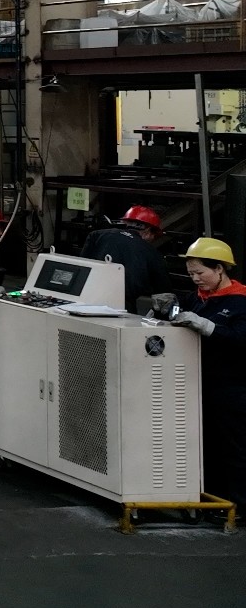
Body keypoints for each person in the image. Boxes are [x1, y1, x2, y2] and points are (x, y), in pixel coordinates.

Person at [169, 237, 246, 508]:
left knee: (234, 447)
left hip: (232, 388)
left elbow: (241, 340)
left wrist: (209, 327)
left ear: (220, 269)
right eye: (191, 274)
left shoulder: (240, 301)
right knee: (206, 445)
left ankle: (239, 505)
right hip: (200, 384)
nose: (195, 279)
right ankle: (212, 498)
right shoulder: (197, 298)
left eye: (200, 273)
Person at [80, 205, 173, 312]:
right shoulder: (153, 253)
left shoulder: (96, 235)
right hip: (122, 309)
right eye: (154, 235)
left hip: (86, 301)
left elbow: (81, 267)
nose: (153, 239)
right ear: (148, 230)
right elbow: (164, 293)